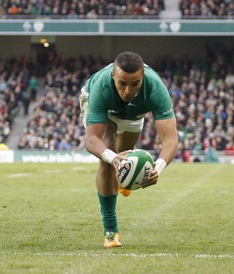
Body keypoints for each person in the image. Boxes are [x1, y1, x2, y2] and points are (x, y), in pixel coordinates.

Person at [79, 51, 178, 248]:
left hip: (134, 115)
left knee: (127, 155)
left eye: (135, 84)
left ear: (142, 78)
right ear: (113, 76)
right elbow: (91, 139)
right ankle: (110, 231)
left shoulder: (156, 88)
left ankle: (123, 181)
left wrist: (158, 167)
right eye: (122, 83)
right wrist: (112, 158)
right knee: (109, 158)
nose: (127, 91)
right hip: (103, 109)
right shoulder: (101, 87)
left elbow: (171, 139)